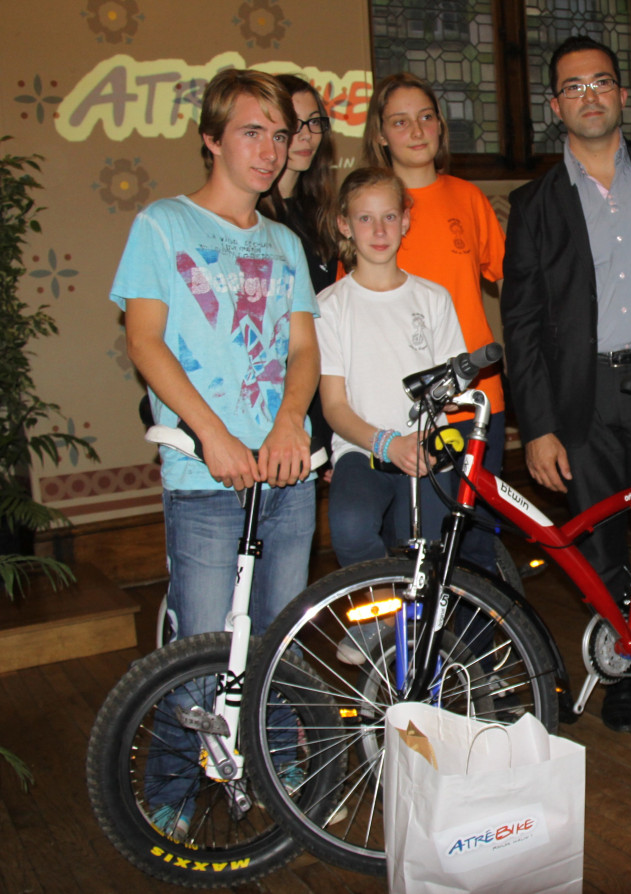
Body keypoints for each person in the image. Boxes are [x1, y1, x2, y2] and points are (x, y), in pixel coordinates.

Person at [110, 68, 319, 838]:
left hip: (285, 475)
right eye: (251, 132)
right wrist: (216, 436)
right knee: (200, 649)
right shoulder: (162, 226)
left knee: (278, 634)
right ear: (211, 138)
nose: (270, 149)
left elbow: (302, 347)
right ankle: (169, 784)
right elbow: (145, 341)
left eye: (280, 133)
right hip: (203, 476)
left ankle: (278, 762)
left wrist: (292, 420)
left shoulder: (285, 240)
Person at [502, 36, 631, 733]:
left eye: (602, 82)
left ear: (620, 94)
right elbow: (520, 324)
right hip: (580, 398)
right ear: (556, 105)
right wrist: (538, 425)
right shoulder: (534, 203)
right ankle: (625, 665)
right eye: (574, 86)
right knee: (603, 537)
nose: (590, 94)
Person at [362, 72, 506, 573]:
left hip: (475, 406)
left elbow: (514, 282)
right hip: (402, 413)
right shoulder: (370, 210)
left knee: (476, 546)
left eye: (426, 117)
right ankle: (422, 654)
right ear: (381, 135)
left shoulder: (468, 199)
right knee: (413, 546)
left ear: (441, 127)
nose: (417, 130)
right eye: (400, 122)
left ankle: (478, 652)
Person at [316, 166, 466, 585]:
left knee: (428, 551)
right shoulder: (329, 306)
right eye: (364, 218)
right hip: (362, 448)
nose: (378, 230)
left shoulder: (433, 298)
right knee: (350, 526)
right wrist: (387, 443)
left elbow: (451, 384)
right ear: (345, 225)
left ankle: (422, 636)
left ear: (405, 220)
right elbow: (333, 404)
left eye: (388, 216)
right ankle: (380, 617)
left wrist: (444, 407)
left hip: (428, 448)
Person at [258, 74, 340, 458]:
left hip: (321, 385)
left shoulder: (322, 213)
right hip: (267, 398)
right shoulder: (250, 217)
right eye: (294, 125)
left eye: (315, 123)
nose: (306, 136)